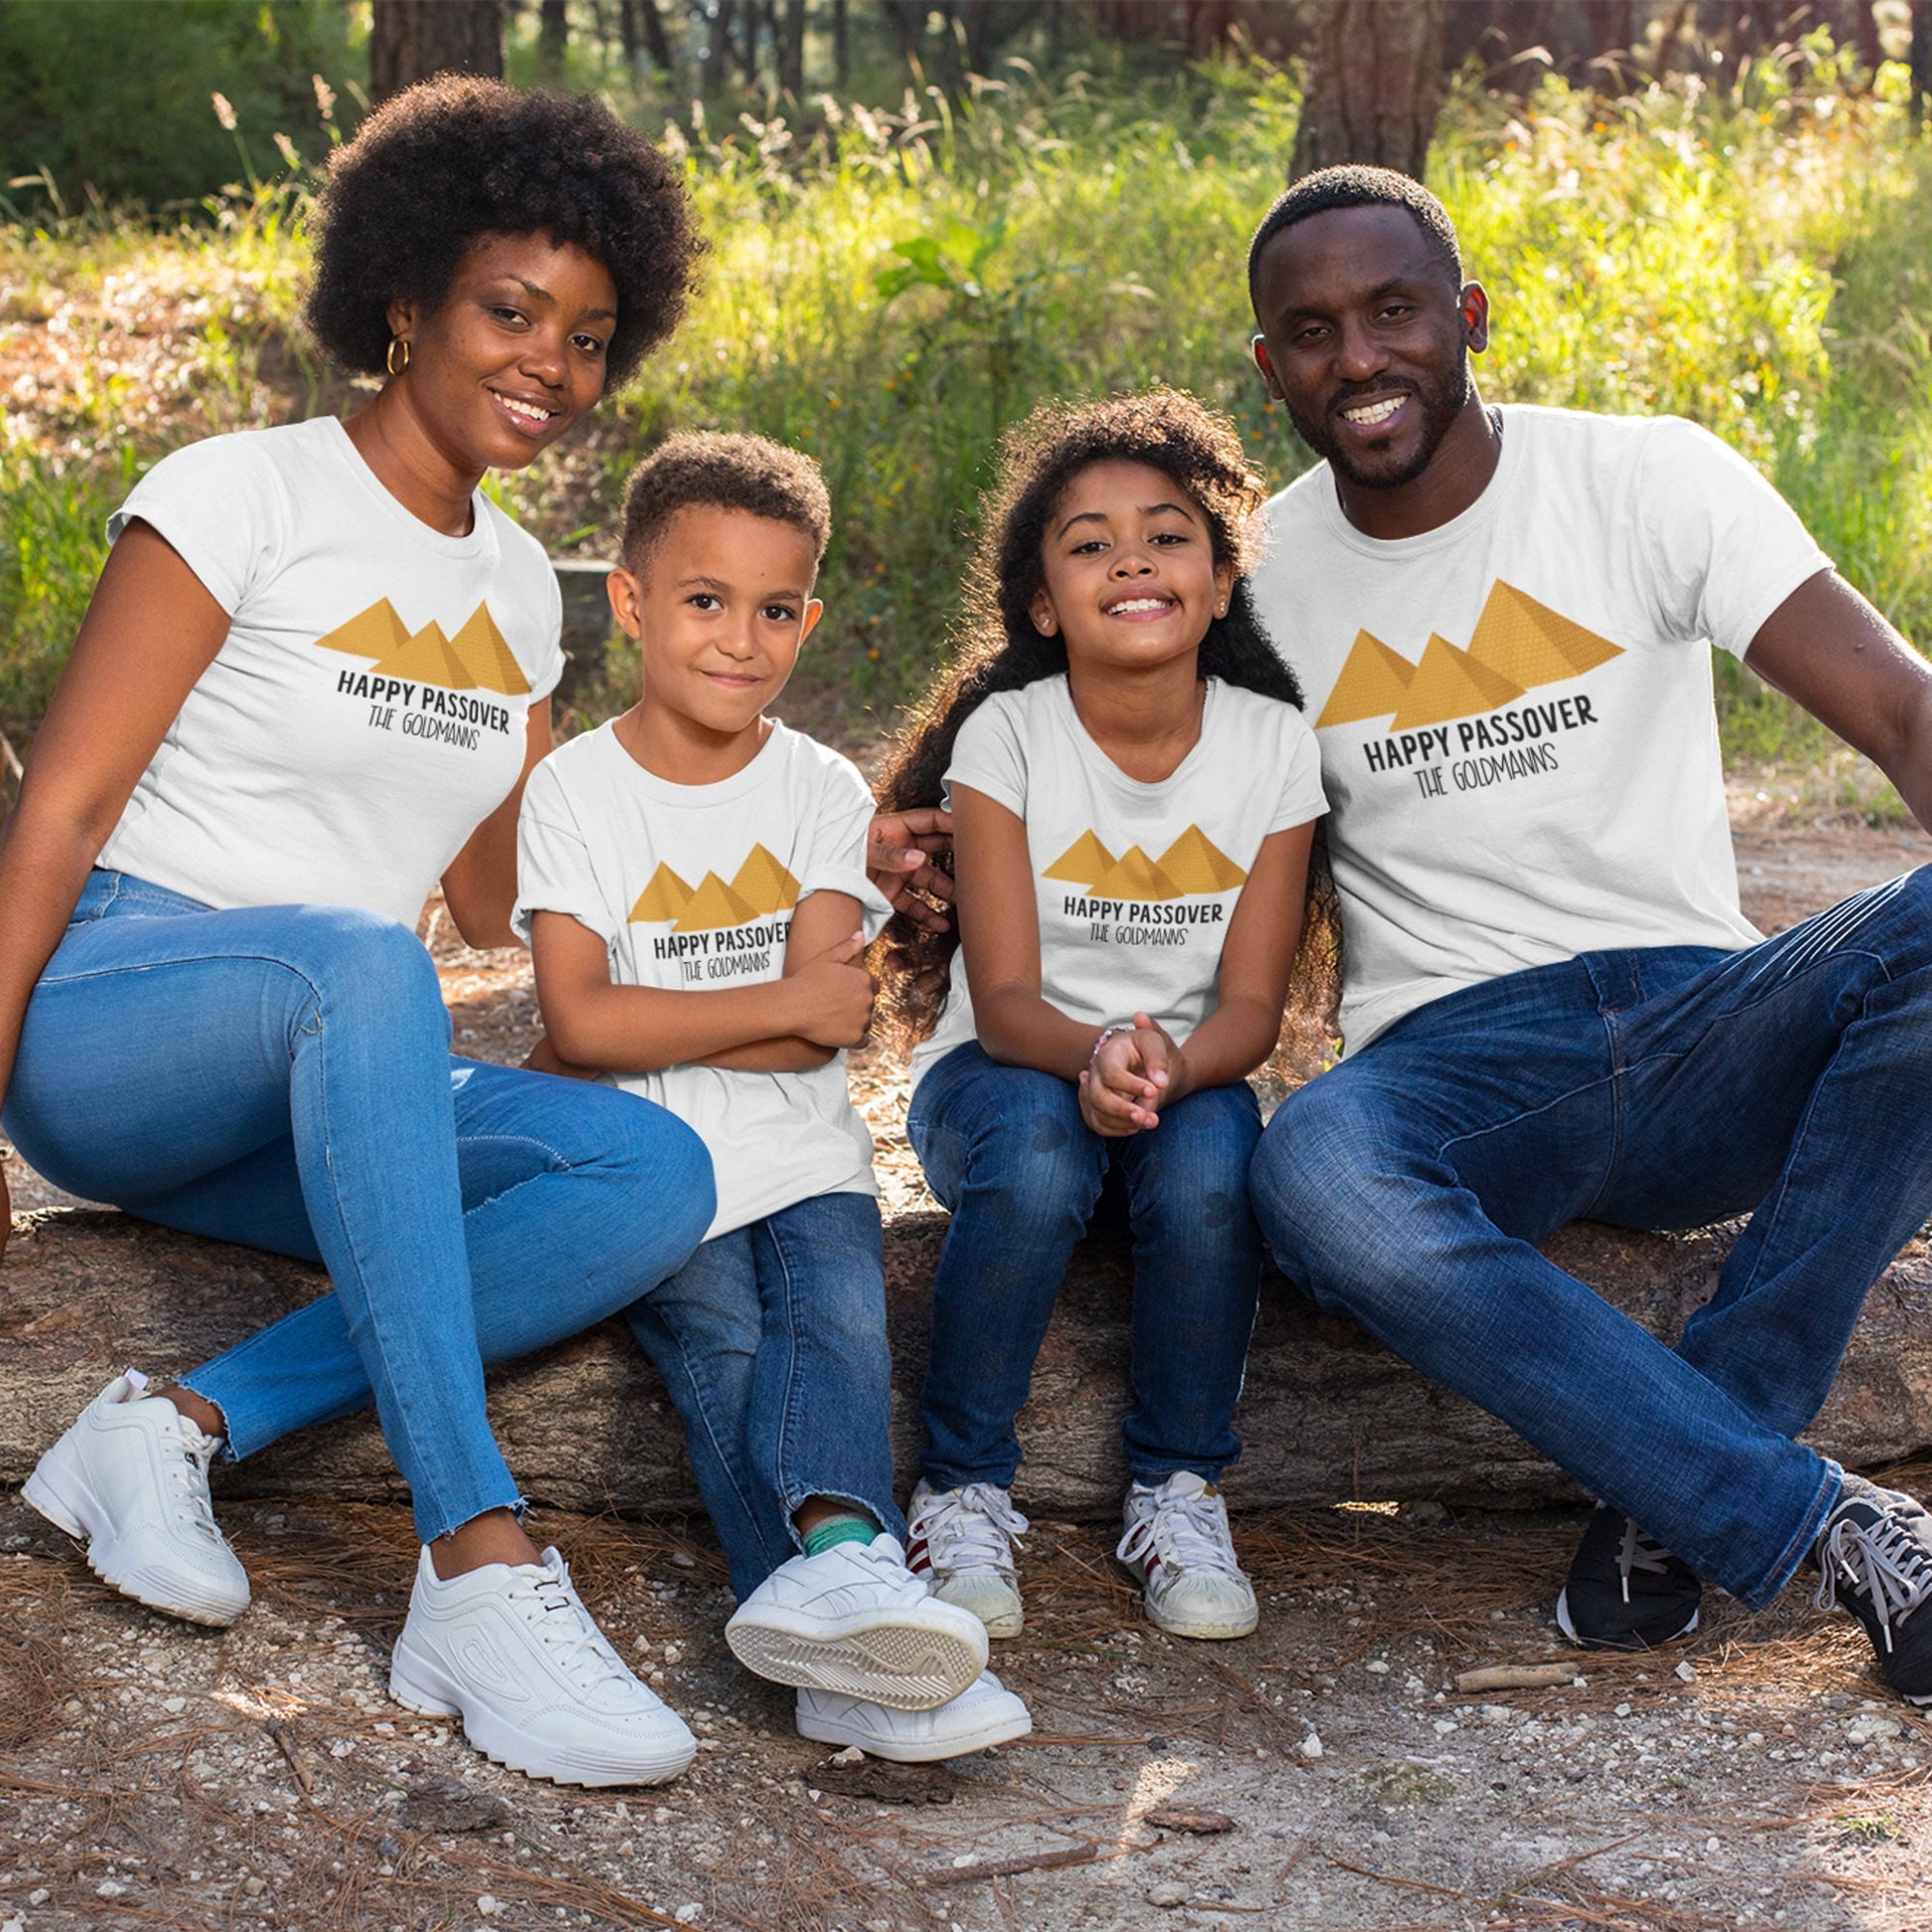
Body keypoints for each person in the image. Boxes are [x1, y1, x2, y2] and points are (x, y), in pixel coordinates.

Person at [2, 78, 720, 1787]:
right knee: (359, 960)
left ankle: (179, 1425)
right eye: (510, 310)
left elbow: (490, 900)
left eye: (591, 334)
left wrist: (737, 793)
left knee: (650, 1176)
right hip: (122, 1013)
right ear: (402, 301)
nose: (553, 361)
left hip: (341, 1053)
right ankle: (474, 1560)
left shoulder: (516, 591)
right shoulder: (238, 490)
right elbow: (61, 809)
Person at [1241, 165, 1932, 1705]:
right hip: (1457, 1068)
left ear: (1466, 317)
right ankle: (1797, 1511)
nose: (1356, 358)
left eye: (1391, 310)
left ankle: (1684, 1469)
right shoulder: (1257, 583)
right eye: (1310, 330)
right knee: (1309, 1171)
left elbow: (1896, 704)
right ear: (1269, 365)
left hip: (1704, 1026)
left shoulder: (1644, 477)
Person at [514, 430, 1032, 1761]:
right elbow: (575, 1017)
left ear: (809, 615)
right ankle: (861, 1649)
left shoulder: (814, 787)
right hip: (654, 1174)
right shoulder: (574, 790)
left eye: (774, 608)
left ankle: (843, 1591)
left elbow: (821, 1034)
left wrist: (647, 1028)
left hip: (805, 1163)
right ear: (629, 602)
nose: (739, 639)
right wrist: (743, 1014)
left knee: (836, 1334)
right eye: (703, 600)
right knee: (726, 1360)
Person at [874, 390, 1328, 1643]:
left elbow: (1250, 1006)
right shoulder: (1007, 734)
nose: (1129, 556)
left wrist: (1168, 1066)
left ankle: (1176, 1487)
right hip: (1003, 1072)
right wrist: (1095, 1056)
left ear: (1221, 581)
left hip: (1184, 1078)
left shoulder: (1274, 747)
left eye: (1166, 533)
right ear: (1040, 604)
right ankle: (962, 1487)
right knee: (1033, 1140)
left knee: (1215, 1158)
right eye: (1086, 542)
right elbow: (1009, 998)